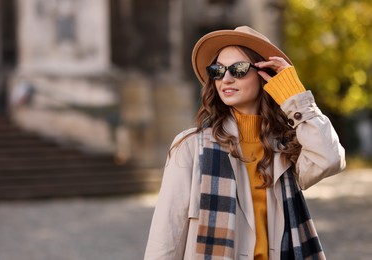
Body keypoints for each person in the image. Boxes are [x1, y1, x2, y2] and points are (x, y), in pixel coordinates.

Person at [144, 26, 346, 260]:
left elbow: (330, 159)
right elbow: (167, 234)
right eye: (217, 70)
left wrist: (295, 97)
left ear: (264, 75)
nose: (226, 78)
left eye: (238, 69)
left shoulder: (285, 147)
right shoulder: (190, 146)